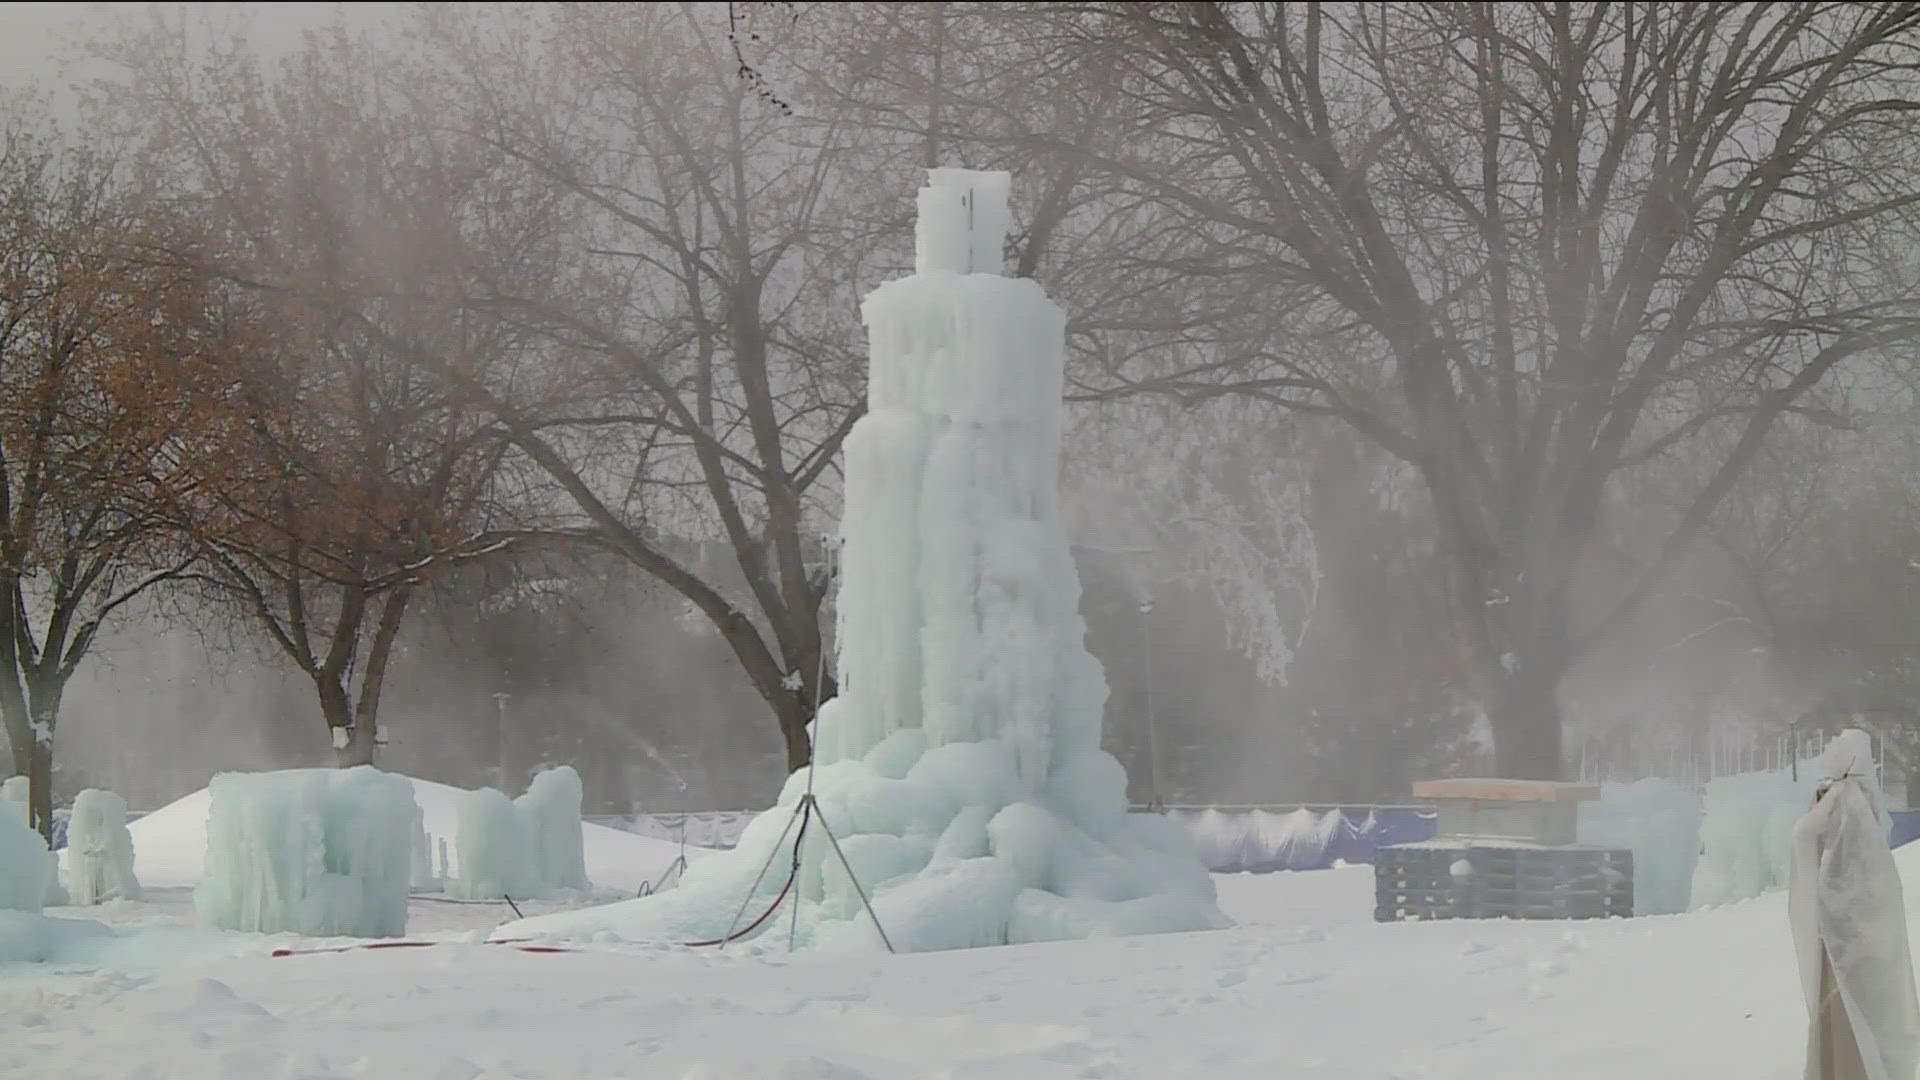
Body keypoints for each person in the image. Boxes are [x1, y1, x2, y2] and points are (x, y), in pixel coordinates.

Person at [1790, 728, 1920, 1080]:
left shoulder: (1845, 797)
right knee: (1854, 1006)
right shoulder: (1855, 797)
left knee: (1848, 1006)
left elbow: (1806, 836)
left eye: (1837, 746)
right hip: (1850, 928)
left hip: (1845, 929)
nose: (1829, 750)